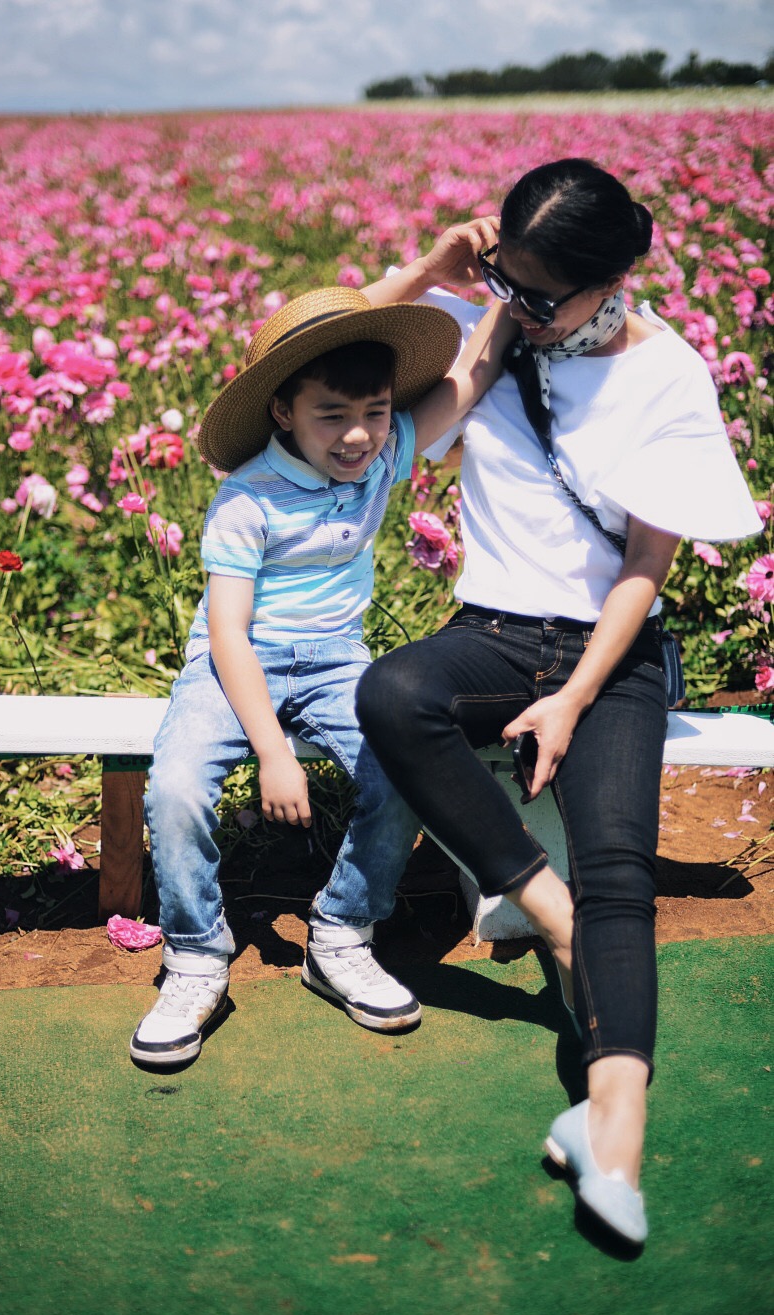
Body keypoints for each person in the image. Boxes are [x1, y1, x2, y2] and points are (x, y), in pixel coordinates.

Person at [356, 158, 761, 1245]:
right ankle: (549, 914)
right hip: (491, 632)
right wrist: (429, 277)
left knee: (622, 863)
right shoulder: (495, 333)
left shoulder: (669, 374)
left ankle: (613, 1133)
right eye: (510, 283)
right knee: (393, 691)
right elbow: (357, 414)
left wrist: (577, 696)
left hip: (611, 651)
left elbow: (646, 566)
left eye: (544, 296)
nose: (523, 309)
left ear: (612, 278)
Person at [130, 284, 515, 1070]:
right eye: (331, 415)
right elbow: (229, 635)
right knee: (174, 787)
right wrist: (272, 750)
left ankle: (341, 932)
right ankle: (197, 956)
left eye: (374, 412)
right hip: (237, 664)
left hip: (338, 660)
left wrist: (512, 294)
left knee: (408, 767)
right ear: (283, 412)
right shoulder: (247, 500)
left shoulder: (383, 451)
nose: (358, 437)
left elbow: (465, 382)